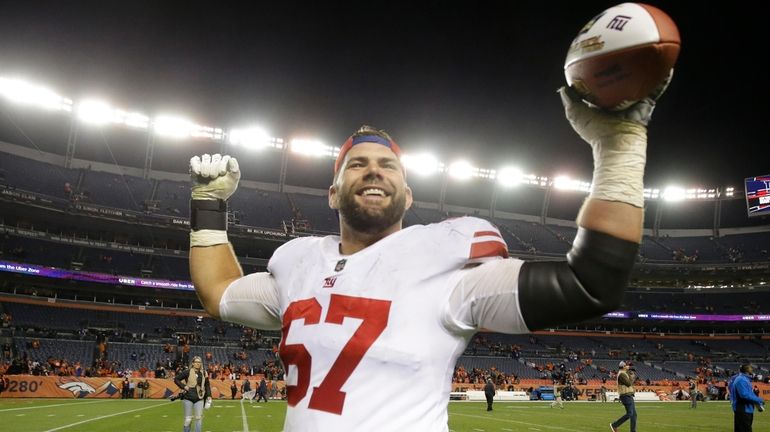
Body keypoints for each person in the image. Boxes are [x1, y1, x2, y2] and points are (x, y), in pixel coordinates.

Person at [189, 78, 662, 430]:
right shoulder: (298, 264)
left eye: (387, 166)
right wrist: (208, 204)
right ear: (333, 193)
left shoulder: (446, 263)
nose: (373, 172)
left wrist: (618, 150)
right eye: (357, 165)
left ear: (408, 196)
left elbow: (589, 284)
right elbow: (220, 292)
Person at [173, 356, 212, 432]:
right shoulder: (187, 371)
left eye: (199, 362)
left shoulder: (204, 373)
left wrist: (209, 396)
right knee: (188, 419)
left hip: (199, 398)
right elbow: (176, 379)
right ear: (193, 363)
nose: (198, 364)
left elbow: (207, 385)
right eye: (196, 362)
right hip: (188, 398)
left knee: (198, 418)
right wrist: (184, 386)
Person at [728, 364, 765, 432]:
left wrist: (758, 403)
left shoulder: (745, 379)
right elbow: (744, 395)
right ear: (746, 370)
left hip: (746, 410)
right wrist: (759, 399)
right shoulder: (741, 379)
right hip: (743, 410)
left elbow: (749, 394)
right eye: (750, 368)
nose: (752, 369)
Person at [610, 361, 636, 432]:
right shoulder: (622, 374)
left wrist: (630, 374)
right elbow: (628, 383)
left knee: (634, 415)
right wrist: (632, 375)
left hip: (628, 395)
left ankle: (633, 431)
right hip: (625, 396)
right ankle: (614, 425)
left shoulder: (623, 373)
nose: (628, 367)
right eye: (627, 365)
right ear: (624, 366)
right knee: (630, 413)